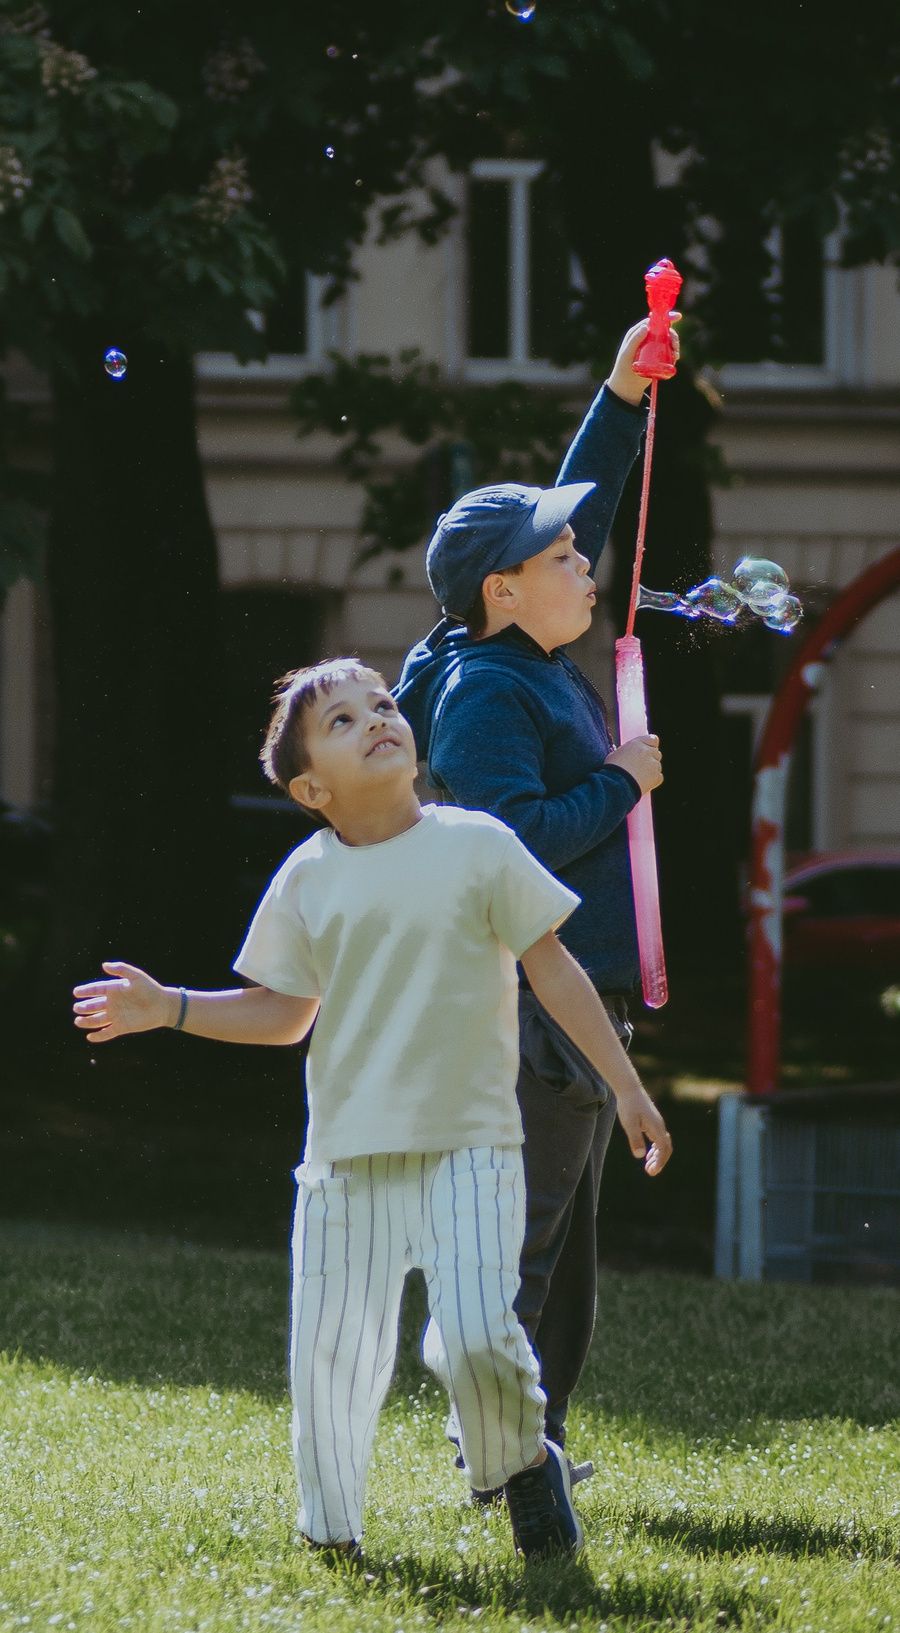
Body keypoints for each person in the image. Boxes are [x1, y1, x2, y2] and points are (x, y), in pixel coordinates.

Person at [71, 660, 670, 1562]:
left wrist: (625, 1084)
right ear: (312, 788)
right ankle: (332, 1538)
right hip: (347, 1159)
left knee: (474, 1336)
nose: (378, 720)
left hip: (474, 1145)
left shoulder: (478, 844)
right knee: (332, 1363)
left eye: (383, 706)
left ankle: (521, 1463)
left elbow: (552, 967)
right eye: (344, 721)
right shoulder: (307, 878)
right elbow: (283, 1014)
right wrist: (173, 1008)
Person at [390, 318, 675, 1495]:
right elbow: (504, 845)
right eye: (560, 562)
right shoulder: (484, 693)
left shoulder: (507, 649)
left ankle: (529, 1436)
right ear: (503, 590)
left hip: (566, 994)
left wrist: (619, 392)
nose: (588, 567)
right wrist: (621, 781)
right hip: (531, 1000)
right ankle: (500, 1448)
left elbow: (587, 509)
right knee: (526, 1234)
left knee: (566, 1249)